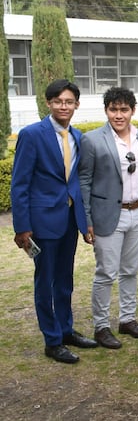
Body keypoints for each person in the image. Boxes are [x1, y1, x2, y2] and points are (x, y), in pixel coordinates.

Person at [11, 79, 97, 363]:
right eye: (58, 101)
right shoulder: (32, 134)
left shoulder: (78, 137)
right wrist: (22, 227)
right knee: (45, 281)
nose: (64, 106)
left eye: (69, 101)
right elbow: (20, 184)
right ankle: (52, 340)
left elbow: (75, 183)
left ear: (76, 105)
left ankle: (66, 329)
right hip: (42, 221)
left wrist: (84, 223)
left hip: (69, 221)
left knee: (64, 280)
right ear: (48, 103)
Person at [78, 87, 138, 349]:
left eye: (124, 109)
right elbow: (84, 180)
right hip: (108, 215)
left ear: (132, 111)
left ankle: (128, 318)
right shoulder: (93, 139)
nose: (118, 115)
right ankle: (101, 326)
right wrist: (86, 220)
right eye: (113, 109)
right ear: (106, 110)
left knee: (130, 270)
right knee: (106, 272)